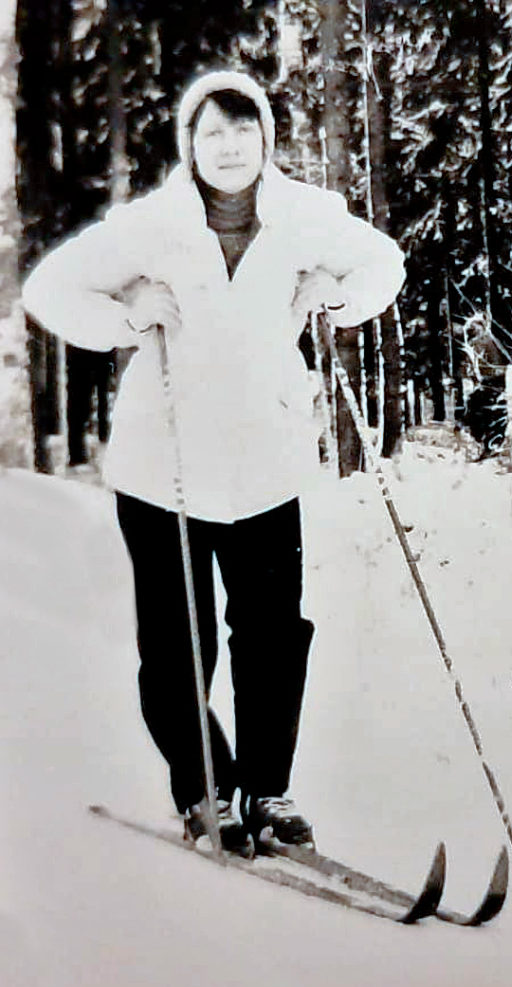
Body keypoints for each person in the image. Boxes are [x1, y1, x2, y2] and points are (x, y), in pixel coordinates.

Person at [22, 70, 405, 854]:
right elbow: (48, 287)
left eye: (243, 130)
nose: (229, 147)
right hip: (163, 466)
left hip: (267, 458)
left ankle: (266, 790)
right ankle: (203, 789)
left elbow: (383, 266)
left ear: (266, 138)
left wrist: (337, 295)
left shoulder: (306, 218)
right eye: (211, 133)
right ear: (189, 146)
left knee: (272, 634)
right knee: (174, 643)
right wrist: (128, 316)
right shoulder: (147, 226)